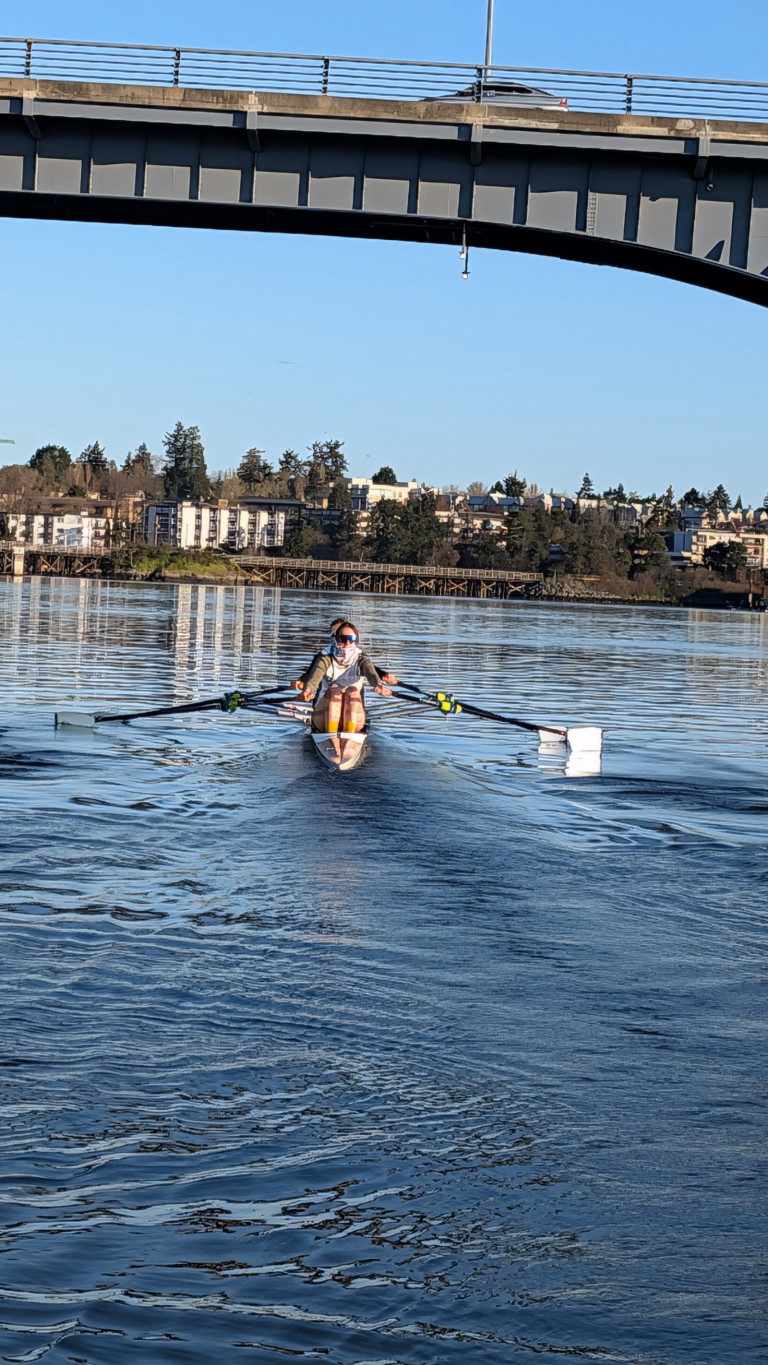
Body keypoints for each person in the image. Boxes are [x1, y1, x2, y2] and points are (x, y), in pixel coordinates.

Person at [292, 620, 392, 756]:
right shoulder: (325, 657)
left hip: (353, 711)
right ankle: (333, 739)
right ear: (334, 638)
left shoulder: (361, 659)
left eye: (351, 639)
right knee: (335, 693)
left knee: (353, 693)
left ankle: (347, 738)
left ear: (356, 640)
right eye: (341, 638)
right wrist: (308, 689)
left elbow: (370, 671)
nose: (347, 643)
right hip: (324, 714)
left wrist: (379, 684)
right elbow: (315, 676)